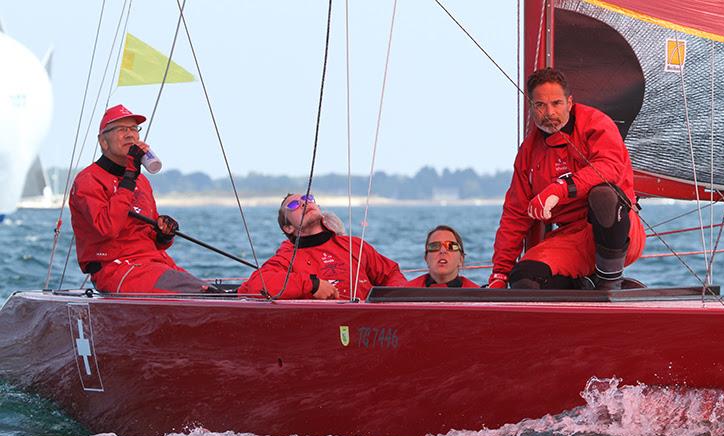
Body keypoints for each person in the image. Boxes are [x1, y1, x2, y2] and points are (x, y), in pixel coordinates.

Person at [488, 68, 646, 290]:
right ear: (531, 107)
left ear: (569, 103)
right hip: (571, 238)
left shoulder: (595, 124)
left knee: (603, 195)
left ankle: (610, 282)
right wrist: (500, 273)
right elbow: (515, 214)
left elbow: (609, 167)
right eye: (540, 105)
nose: (549, 112)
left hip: (619, 230)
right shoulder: (528, 153)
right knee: (524, 281)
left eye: (556, 103)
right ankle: (583, 284)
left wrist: (560, 189)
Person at [69, 104, 212, 293]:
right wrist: (129, 177)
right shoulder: (88, 180)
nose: (129, 135)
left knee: (213, 291)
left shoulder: (141, 181)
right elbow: (107, 228)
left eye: (133, 129)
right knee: (199, 293)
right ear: (103, 141)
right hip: (116, 269)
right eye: (121, 129)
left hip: (153, 264)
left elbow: (153, 239)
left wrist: (164, 233)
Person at [238, 193, 407, 299]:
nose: (304, 203)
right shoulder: (286, 258)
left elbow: (391, 273)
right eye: (293, 205)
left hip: (370, 324)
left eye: (307, 198)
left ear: (318, 207)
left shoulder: (354, 245)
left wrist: (392, 299)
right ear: (288, 227)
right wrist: (313, 285)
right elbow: (258, 283)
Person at [405, 225, 479, 288]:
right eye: (434, 246)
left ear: (461, 259)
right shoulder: (405, 293)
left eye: (451, 246)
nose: (442, 251)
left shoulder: (479, 297)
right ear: (426, 258)